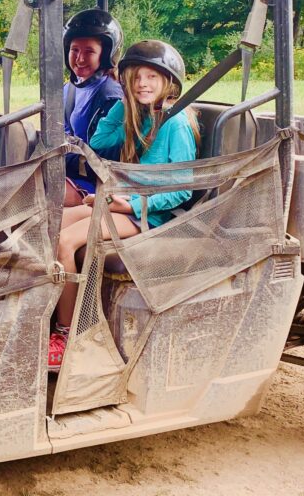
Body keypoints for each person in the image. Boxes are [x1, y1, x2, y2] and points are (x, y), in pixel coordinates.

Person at [48, 40, 200, 372]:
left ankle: (68, 337)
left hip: (154, 214)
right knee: (52, 225)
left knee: (66, 242)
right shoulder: (139, 115)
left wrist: (129, 206)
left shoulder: (175, 123)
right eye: (135, 78)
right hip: (122, 202)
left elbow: (182, 188)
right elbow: (99, 143)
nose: (143, 84)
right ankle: (51, 315)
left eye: (152, 77)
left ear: (169, 82)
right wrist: (126, 107)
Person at [61, 8, 125, 206]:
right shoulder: (69, 89)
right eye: (75, 50)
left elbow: (107, 158)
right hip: (67, 170)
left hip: (95, 183)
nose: (80, 59)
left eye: (89, 51)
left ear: (105, 55)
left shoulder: (111, 96)